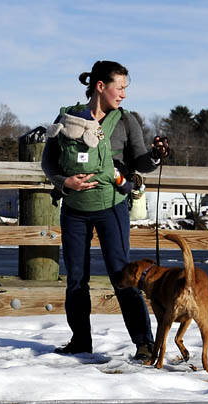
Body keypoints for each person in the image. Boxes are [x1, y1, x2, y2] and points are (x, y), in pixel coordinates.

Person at [41, 60, 169, 358]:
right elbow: (48, 162)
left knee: (122, 274)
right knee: (75, 278)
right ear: (101, 86)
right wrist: (64, 182)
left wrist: (156, 156)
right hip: (73, 209)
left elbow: (139, 162)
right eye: (120, 87)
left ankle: (144, 344)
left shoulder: (126, 121)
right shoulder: (67, 118)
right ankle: (80, 342)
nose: (123, 94)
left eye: (125, 88)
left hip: (111, 207)